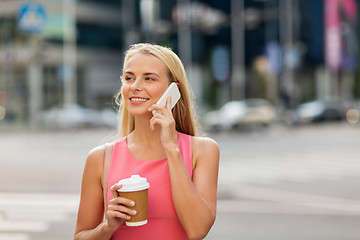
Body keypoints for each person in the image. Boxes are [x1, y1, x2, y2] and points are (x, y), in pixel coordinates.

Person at [74, 43, 220, 240]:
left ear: (173, 91)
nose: (135, 87)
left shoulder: (203, 150)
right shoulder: (100, 158)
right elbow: (80, 236)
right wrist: (107, 227)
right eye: (129, 78)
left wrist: (171, 148)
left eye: (149, 78)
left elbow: (198, 230)